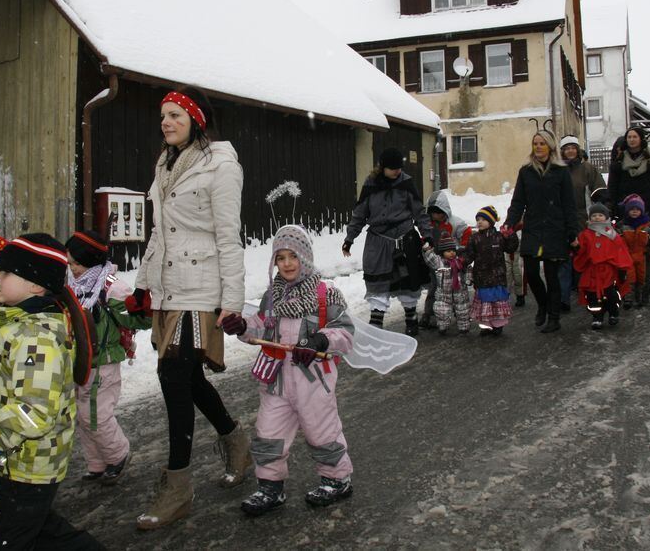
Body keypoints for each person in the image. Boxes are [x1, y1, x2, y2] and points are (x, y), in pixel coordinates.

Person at [133, 86, 252, 530]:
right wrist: (143, 285)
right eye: (162, 115)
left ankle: (177, 487)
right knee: (188, 377)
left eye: (175, 115)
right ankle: (235, 439)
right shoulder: (164, 165)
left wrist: (232, 302)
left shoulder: (221, 165)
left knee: (172, 375)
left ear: (196, 120)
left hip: (200, 288)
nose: (166, 122)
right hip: (168, 287)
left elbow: (228, 236)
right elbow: (160, 235)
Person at [0, 233, 103, 549]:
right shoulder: (14, 323)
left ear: (35, 286)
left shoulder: (36, 338)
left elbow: (35, 412)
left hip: (31, 462)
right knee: (45, 532)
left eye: (5, 272)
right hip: (18, 458)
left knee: (9, 539)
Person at [221, 225, 355, 516]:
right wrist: (243, 327)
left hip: (313, 382)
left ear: (304, 256)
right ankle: (271, 487)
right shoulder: (272, 296)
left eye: (292, 256)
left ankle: (337, 479)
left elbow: (345, 334)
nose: (287, 263)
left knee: (322, 432)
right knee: (268, 433)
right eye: (280, 258)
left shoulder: (325, 294)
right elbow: (260, 327)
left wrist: (321, 339)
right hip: (277, 381)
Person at [66, 230, 150, 485]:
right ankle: (97, 463)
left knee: (96, 416)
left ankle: (118, 454)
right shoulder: (72, 287)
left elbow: (137, 316)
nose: (73, 268)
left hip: (103, 363)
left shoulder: (111, 288)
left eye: (77, 263)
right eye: (69, 263)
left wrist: (141, 306)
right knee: (83, 416)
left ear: (91, 261)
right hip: (81, 363)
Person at [343, 148, 433, 336]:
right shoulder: (371, 184)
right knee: (378, 282)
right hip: (378, 241)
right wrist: (350, 238)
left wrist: (427, 234)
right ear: (383, 167)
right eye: (393, 168)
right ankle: (376, 324)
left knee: (407, 280)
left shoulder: (406, 183)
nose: (397, 171)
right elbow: (360, 213)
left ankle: (411, 318)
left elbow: (419, 211)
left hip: (404, 238)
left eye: (399, 167)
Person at [502, 129, 578, 333]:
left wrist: (572, 232)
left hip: (555, 229)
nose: (538, 147)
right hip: (534, 228)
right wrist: (510, 222)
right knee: (533, 273)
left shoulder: (561, 172)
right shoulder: (526, 171)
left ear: (550, 146)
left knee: (552, 277)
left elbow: (569, 204)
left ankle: (554, 318)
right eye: (535, 143)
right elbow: (518, 201)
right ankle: (543, 304)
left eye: (542, 143)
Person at [558, 135, 606, 311]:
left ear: (577, 150)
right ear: (562, 151)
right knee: (564, 261)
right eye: (566, 148)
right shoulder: (557, 169)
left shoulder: (587, 169)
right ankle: (563, 299)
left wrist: (598, 215)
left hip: (584, 220)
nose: (570, 151)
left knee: (585, 259)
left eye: (573, 147)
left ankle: (588, 294)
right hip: (562, 221)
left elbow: (599, 193)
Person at [574, 204, 632, 330]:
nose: (597, 218)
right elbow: (581, 252)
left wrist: (622, 269)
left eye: (600, 215)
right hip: (592, 271)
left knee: (611, 294)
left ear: (606, 217)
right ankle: (597, 317)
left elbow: (620, 250)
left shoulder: (611, 233)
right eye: (594, 215)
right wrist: (575, 247)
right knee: (592, 296)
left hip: (608, 271)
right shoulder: (585, 234)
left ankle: (613, 313)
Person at [465, 206, 519, 336]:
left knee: (497, 303)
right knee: (484, 304)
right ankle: (486, 327)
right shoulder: (475, 238)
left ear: (492, 221)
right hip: (481, 278)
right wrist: (460, 260)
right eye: (478, 219)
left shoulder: (499, 237)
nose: (480, 222)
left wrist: (510, 236)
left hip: (497, 277)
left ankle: (498, 326)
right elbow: (469, 255)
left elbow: (511, 248)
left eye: (483, 219)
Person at [608, 127, 650, 230]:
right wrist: (612, 207)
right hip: (625, 208)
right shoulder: (619, 160)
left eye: (635, 137)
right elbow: (612, 186)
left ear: (641, 139)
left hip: (649, 207)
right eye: (629, 137)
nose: (632, 140)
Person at [418, 190, 456, 330]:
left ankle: (444, 314)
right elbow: (424, 239)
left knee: (447, 291)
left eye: (439, 213)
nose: (437, 216)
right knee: (434, 288)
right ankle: (428, 314)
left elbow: (462, 236)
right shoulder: (429, 226)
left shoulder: (452, 224)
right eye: (434, 213)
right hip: (433, 262)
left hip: (448, 263)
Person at [420, 233, 470, 335]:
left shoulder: (459, 261)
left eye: (453, 251)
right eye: (448, 251)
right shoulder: (440, 262)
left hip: (460, 293)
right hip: (443, 295)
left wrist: (469, 278)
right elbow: (431, 258)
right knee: (442, 311)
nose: (451, 253)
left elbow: (468, 269)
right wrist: (427, 249)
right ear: (443, 253)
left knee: (463, 311)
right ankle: (442, 327)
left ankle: (464, 327)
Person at [617, 194, 650, 308]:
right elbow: (617, 240)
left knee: (644, 277)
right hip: (627, 255)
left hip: (643, 255)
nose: (634, 212)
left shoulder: (648, 226)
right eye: (632, 209)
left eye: (637, 209)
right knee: (628, 277)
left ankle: (642, 298)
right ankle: (628, 298)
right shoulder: (622, 225)